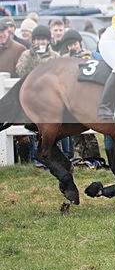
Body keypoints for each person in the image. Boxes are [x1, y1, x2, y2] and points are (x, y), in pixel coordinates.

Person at [16, 25, 63, 167]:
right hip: (33, 98)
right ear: (33, 41)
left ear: (48, 41)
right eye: (37, 40)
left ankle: (56, 159)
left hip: (51, 98)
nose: (40, 42)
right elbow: (20, 71)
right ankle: (36, 159)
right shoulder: (26, 55)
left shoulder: (55, 56)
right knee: (34, 128)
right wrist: (32, 55)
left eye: (43, 40)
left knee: (54, 129)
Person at [61, 28, 104, 166]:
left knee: (89, 131)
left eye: (74, 44)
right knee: (75, 131)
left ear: (79, 43)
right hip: (73, 96)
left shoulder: (88, 56)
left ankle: (94, 156)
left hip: (87, 95)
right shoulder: (65, 59)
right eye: (70, 45)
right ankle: (81, 157)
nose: (73, 47)